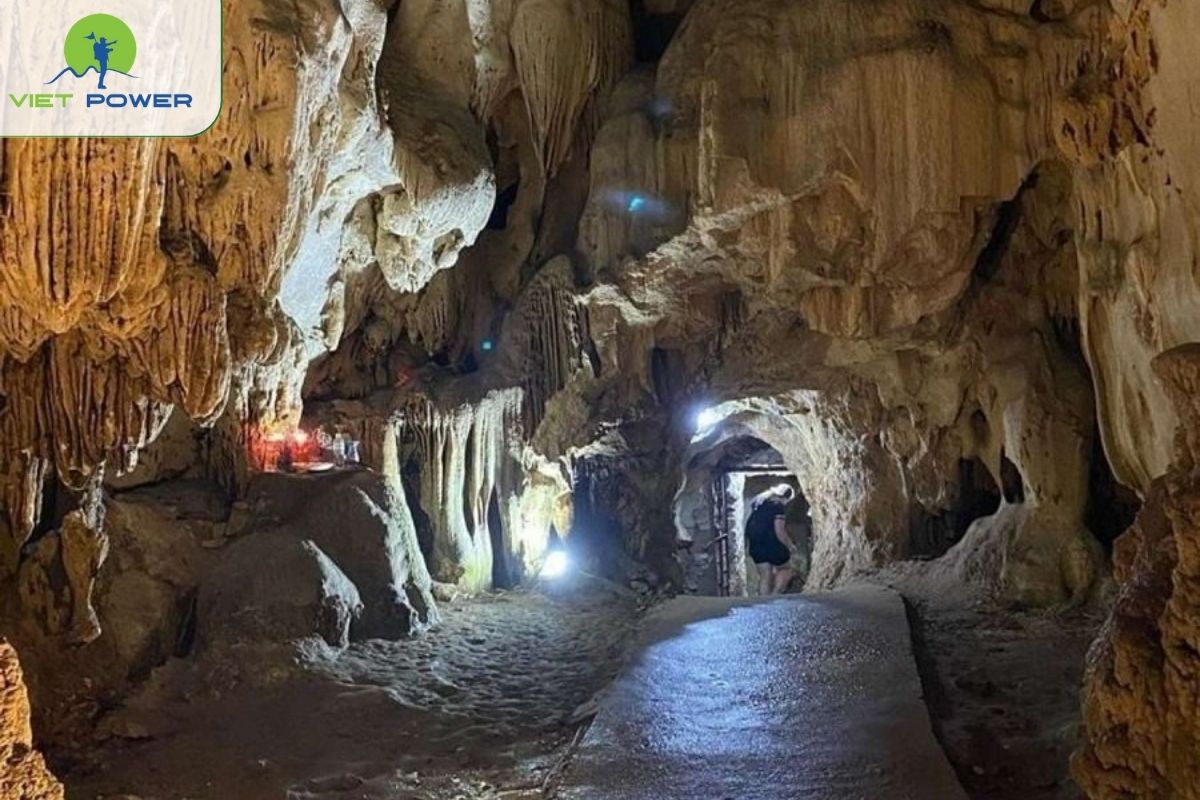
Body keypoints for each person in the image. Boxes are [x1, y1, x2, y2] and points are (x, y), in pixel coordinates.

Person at [745, 485, 800, 595]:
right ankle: (775, 595)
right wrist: (790, 546)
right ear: (786, 498)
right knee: (786, 569)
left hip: (756, 545)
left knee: (765, 575)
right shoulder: (777, 507)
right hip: (772, 545)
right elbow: (780, 532)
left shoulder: (759, 504)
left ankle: (763, 602)